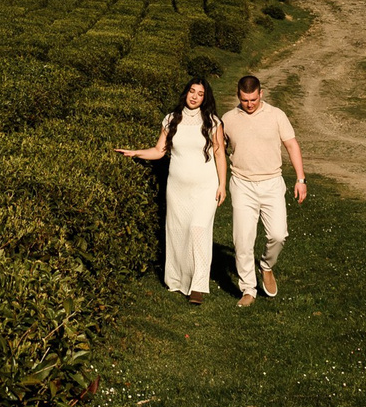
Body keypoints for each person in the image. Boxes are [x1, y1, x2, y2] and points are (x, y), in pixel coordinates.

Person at [116, 76, 227, 302]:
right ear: (186, 92)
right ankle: (177, 280)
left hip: (205, 187)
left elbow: (219, 154)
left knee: (198, 229)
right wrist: (135, 153)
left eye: (200, 94)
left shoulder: (213, 122)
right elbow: (159, 150)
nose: (195, 97)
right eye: (192, 91)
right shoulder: (170, 120)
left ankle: (198, 285)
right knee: (177, 233)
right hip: (177, 188)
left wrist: (223, 185)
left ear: (206, 98)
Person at [223, 73, 304, 306]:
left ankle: (266, 266)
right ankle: (248, 289)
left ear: (261, 94)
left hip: (271, 182)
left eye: (254, 100)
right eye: (245, 100)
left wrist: (301, 179)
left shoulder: (277, 115)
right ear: (238, 96)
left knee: (278, 234)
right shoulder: (228, 119)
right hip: (242, 183)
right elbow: (218, 150)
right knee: (243, 240)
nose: (249, 104)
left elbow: (291, 145)